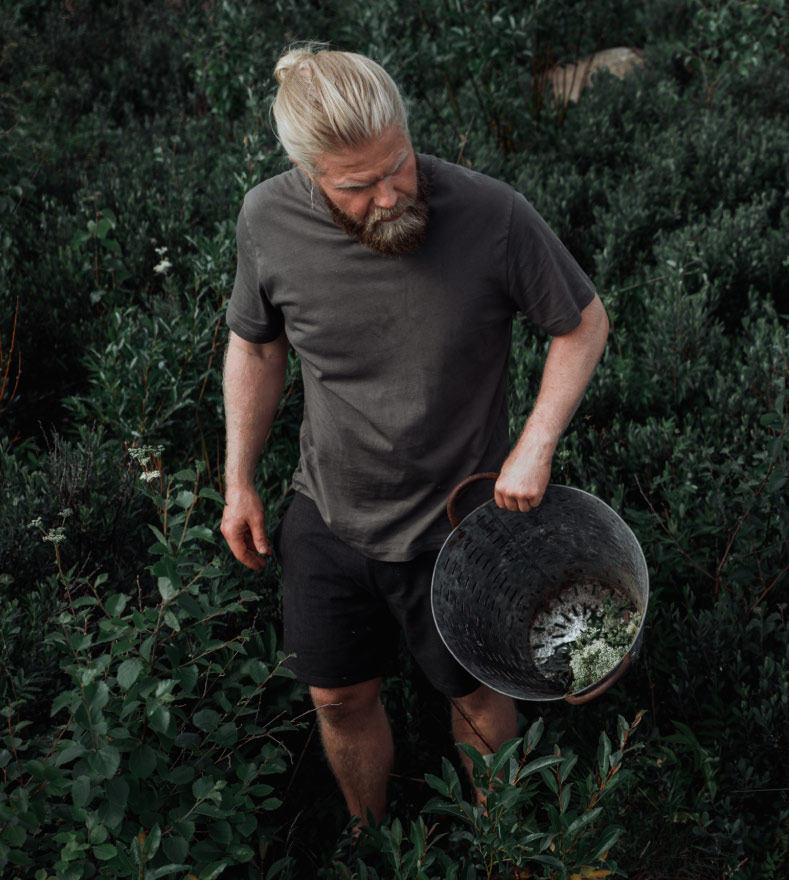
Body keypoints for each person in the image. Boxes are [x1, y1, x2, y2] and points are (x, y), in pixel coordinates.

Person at [220, 44, 608, 827]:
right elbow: (255, 348)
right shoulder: (267, 219)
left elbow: (583, 324)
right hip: (327, 513)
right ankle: (373, 847)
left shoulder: (491, 214)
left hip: (458, 525)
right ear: (306, 172)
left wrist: (535, 445)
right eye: (357, 185)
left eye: (398, 163)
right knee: (337, 697)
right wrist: (239, 481)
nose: (391, 194)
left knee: (476, 700)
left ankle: (499, 853)